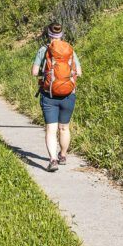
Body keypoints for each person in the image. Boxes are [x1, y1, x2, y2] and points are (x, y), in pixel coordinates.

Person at [31, 22, 81, 172]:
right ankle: (63, 156)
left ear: (48, 34)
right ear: (61, 35)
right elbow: (78, 72)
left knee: (51, 129)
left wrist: (46, 74)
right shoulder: (69, 50)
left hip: (49, 95)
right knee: (64, 128)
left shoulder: (44, 50)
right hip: (68, 95)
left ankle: (52, 160)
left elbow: (34, 72)